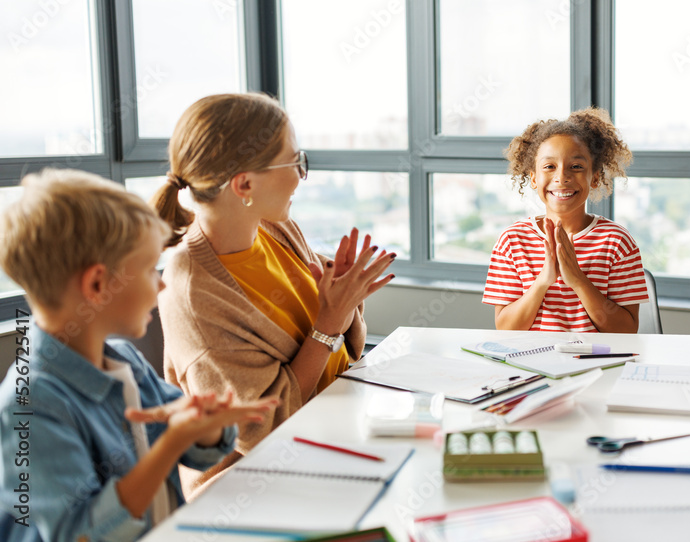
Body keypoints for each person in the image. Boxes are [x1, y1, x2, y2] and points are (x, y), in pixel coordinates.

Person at [0, 169, 278, 541]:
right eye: (149, 269)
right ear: (98, 284)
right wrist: (171, 444)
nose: (162, 283)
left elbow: (199, 451)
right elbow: (79, 535)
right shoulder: (31, 404)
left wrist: (207, 427)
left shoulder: (123, 360)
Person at [151, 93, 394, 495]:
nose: (301, 175)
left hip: (336, 428)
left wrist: (345, 298)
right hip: (252, 484)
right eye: (294, 161)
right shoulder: (194, 291)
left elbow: (341, 341)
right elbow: (261, 429)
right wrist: (328, 324)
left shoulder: (274, 228)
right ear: (244, 183)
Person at [483, 107, 648, 333]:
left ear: (595, 177)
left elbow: (626, 331)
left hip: (598, 365)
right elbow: (506, 329)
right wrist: (543, 281)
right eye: (549, 167)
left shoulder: (617, 242)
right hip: (532, 365)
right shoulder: (512, 241)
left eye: (576, 167)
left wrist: (578, 280)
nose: (562, 177)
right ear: (533, 178)